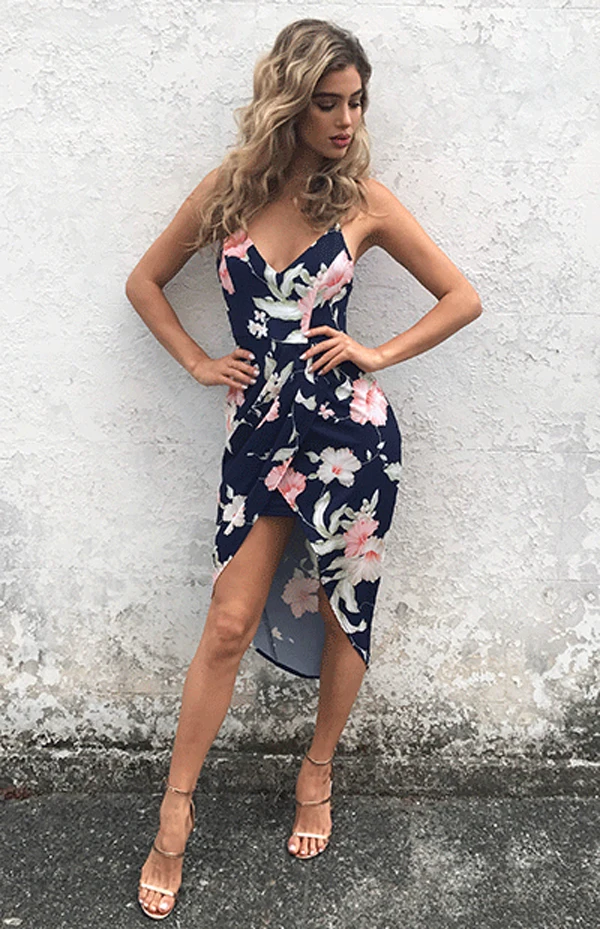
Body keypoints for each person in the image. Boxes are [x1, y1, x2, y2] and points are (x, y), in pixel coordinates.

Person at [125, 17, 482, 921]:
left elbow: (463, 297)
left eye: (357, 102)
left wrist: (377, 352)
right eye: (328, 103)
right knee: (227, 621)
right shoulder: (229, 193)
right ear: (289, 102)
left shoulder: (363, 200)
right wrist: (200, 361)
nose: (347, 120)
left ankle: (317, 769)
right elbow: (144, 282)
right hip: (258, 440)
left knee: (342, 611)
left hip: (350, 439)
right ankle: (175, 807)